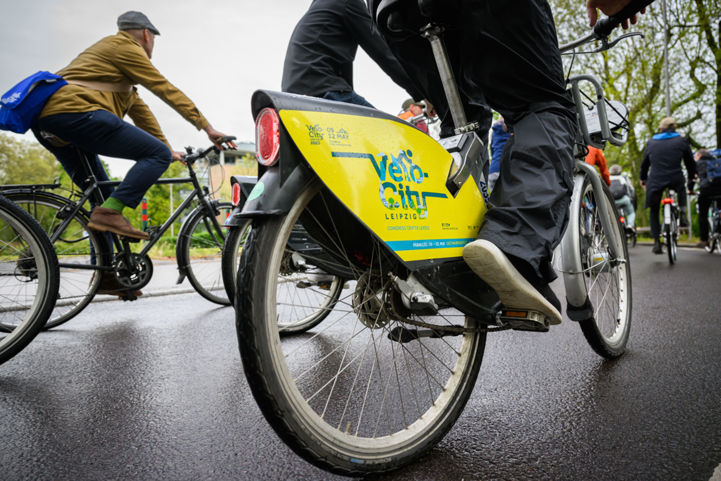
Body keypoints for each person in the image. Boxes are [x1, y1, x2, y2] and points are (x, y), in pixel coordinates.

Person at [370, 0, 644, 326]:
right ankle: (515, 247)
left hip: (390, 11)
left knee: (461, 119)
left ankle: (433, 252)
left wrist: (418, 86)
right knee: (542, 103)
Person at [32, 11, 234, 295]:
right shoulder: (125, 48)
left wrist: (166, 148)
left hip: (50, 123)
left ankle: (106, 277)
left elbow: (143, 113)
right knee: (117, 198)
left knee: (100, 197)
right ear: (146, 35)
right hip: (77, 114)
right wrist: (206, 127)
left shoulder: (111, 68)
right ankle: (112, 212)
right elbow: (164, 88)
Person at [281, 0, 427, 109]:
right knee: (390, 135)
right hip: (323, 89)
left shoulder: (321, 7)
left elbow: (342, 66)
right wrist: (423, 93)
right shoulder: (347, 2)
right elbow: (383, 54)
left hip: (295, 97)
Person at [640, 117, 695, 254]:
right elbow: (690, 163)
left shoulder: (651, 142)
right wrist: (691, 177)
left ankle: (657, 243)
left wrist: (643, 179)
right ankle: (682, 213)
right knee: (681, 188)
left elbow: (644, 164)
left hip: (655, 180)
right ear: (675, 128)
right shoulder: (682, 141)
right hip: (675, 178)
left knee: (653, 209)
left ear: (661, 129)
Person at [692, 148, 721, 249]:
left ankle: (704, 240)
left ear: (699, 155)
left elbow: (692, 178)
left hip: (707, 190)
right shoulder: (718, 161)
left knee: (703, 213)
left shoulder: (698, 163)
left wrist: (690, 189)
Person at [609, 164, 636, 229]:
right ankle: (630, 225)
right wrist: (631, 197)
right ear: (620, 171)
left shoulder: (607, 178)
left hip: (611, 201)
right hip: (624, 199)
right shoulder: (624, 178)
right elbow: (631, 189)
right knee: (631, 213)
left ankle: (610, 227)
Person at [488, 115, 511, 191]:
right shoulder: (511, 129)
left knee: (495, 201)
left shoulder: (494, 132)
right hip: (507, 169)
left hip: (493, 170)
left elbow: (492, 151)